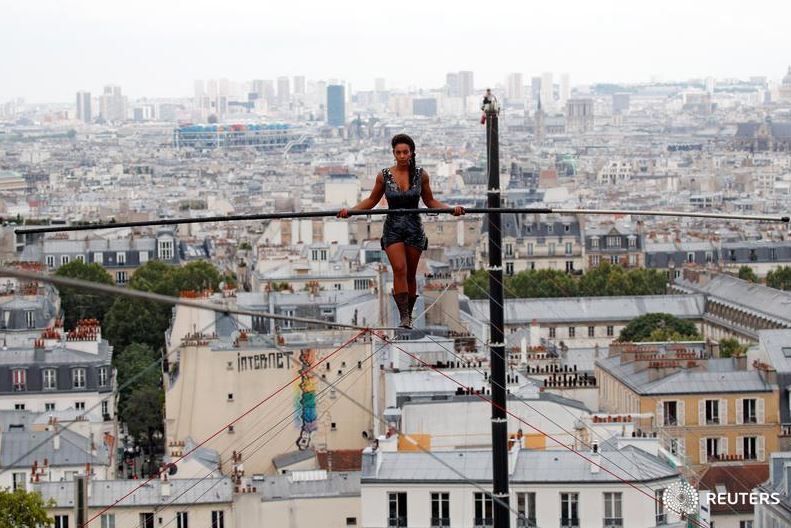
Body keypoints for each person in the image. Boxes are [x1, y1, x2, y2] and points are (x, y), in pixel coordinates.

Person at [338, 134, 464, 328]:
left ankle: (409, 314)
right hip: (393, 229)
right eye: (398, 152)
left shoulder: (421, 175)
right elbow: (371, 201)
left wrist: (450, 210)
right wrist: (351, 211)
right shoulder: (384, 176)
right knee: (399, 269)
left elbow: (430, 202)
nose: (402, 156)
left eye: (405, 152)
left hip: (414, 228)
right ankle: (404, 316)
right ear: (393, 154)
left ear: (412, 153)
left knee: (411, 273)